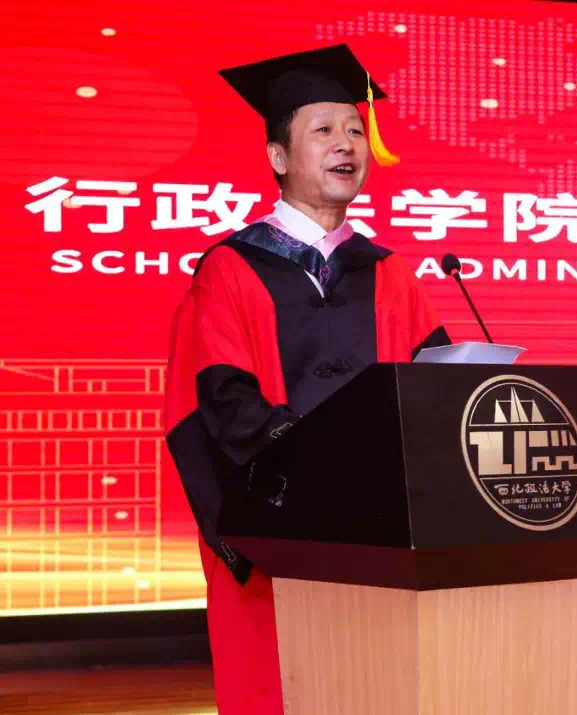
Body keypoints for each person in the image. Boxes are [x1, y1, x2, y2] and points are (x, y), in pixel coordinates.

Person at [162, 44, 450, 714]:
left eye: (355, 130)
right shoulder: (231, 267)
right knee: (280, 683)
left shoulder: (388, 271)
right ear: (278, 156)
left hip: (381, 531)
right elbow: (218, 399)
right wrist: (316, 465)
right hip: (279, 526)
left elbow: (433, 384)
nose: (347, 144)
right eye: (324, 130)